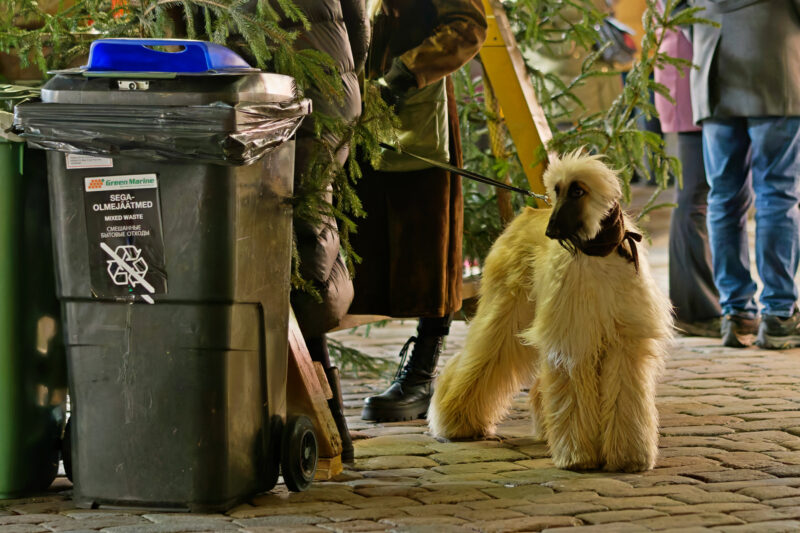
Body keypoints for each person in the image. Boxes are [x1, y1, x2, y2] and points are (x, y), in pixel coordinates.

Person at [353, 0, 487, 422]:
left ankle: (422, 373)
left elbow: (468, 26)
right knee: (359, 246)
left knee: (429, 244)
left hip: (417, 109)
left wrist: (405, 75)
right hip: (360, 110)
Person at [690, 0, 800, 348]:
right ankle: (779, 314)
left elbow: (673, 10)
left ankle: (736, 313)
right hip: (776, 55)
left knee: (723, 197)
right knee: (778, 194)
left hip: (713, 63)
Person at [286, 0, 369, 462]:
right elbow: (358, 21)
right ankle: (331, 426)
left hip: (265, 85)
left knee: (303, 248)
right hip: (331, 81)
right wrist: (347, 75)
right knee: (311, 233)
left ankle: (327, 428)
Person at [653, 8, 721, 337]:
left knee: (697, 196)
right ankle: (695, 307)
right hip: (689, 76)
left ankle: (698, 303)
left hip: (692, 73)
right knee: (695, 196)